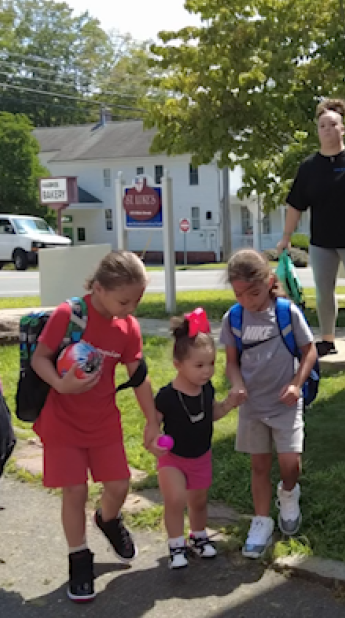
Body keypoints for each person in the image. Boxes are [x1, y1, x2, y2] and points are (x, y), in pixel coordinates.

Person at [29, 250, 161, 603]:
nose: (132, 308)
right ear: (99, 289)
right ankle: (79, 558)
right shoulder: (69, 315)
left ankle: (107, 519)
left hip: (103, 422)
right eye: (124, 300)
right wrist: (60, 384)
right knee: (75, 491)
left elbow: (139, 376)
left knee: (118, 485)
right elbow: (39, 358)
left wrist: (152, 419)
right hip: (62, 421)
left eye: (138, 299)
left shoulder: (128, 327)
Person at [221, 249, 317, 558]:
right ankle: (261, 521)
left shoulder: (287, 313)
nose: (247, 300)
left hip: (285, 403)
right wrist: (236, 384)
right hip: (253, 406)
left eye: (254, 292)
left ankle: (289, 493)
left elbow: (309, 351)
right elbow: (232, 362)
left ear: (270, 281)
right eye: (239, 294)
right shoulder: (233, 319)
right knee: (258, 465)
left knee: (290, 464)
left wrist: (296, 384)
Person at [279, 98, 345, 357]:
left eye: (333, 124)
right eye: (322, 125)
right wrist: (285, 237)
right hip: (322, 242)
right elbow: (295, 205)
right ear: (317, 130)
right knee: (324, 293)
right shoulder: (310, 167)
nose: (327, 129)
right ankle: (327, 339)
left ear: (342, 129)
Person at [154, 308, 246, 570]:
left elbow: (211, 414)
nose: (207, 371)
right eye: (199, 365)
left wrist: (228, 404)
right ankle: (176, 544)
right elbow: (153, 425)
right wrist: (153, 441)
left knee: (199, 501)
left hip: (201, 455)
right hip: (173, 458)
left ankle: (198, 535)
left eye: (211, 364)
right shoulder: (167, 396)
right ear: (178, 365)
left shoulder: (206, 389)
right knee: (175, 499)